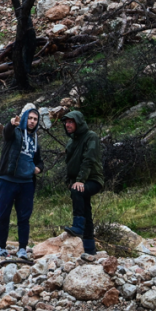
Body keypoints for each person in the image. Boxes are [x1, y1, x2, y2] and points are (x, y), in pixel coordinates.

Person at [0, 103, 46, 259]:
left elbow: (39, 160)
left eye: (35, 119)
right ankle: (1, 247)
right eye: (29, 118)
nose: (32, 121)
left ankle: (22, 249)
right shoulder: (15, 132)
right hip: (8, 180)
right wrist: (11, 124)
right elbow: (6, 133)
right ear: (24, 118)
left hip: (26, 183)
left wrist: (39, 168)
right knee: (3, 215)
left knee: (24, 217)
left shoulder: (35, 138)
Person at [61, 110, 105, 258]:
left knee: (78, 191)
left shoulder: (91, 137)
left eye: (71, 121)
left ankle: (78, 226)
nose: (68, 124)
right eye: (66, 122)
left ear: (78, 122)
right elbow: (69, 163)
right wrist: (69, 181)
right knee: (87, 212)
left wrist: (80, 180)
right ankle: (89, 248)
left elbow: (89, 160)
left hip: (93, 179)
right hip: (79, 180)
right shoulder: (71, 141)